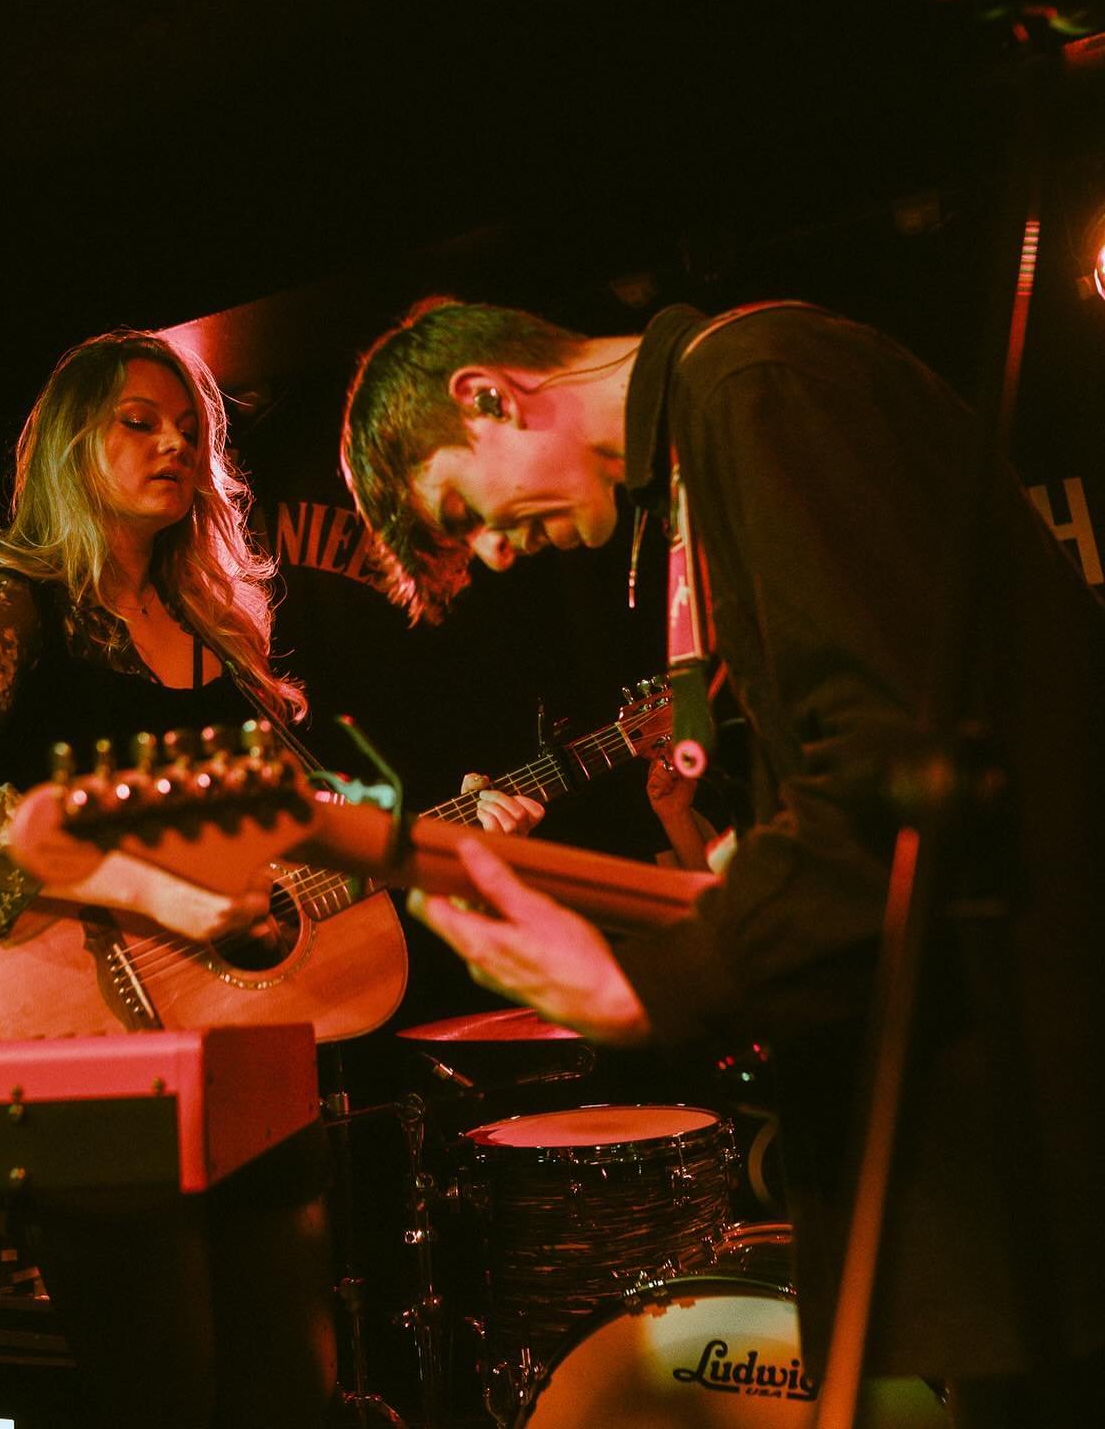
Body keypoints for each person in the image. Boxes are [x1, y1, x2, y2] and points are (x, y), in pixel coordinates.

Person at [339, 294, 1105, 1420]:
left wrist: (639, 987)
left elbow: (885, 790)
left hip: (1039, 1121)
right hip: (1004, 1127)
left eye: (470, 510)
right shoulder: (716, 434)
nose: (497, 552)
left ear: (490, 394)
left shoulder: (758, 386)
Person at [0, 327, 334, 1428]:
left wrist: (448, 828)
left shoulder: (221, 633)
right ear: (74, 443)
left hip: (249, 1065)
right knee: (165, 1397)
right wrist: (147, 891)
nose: (171, 441)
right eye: (138, 421)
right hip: (88, 1047)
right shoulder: (14, 598)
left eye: (189, 429)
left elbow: (306, 834)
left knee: (291, 1402)